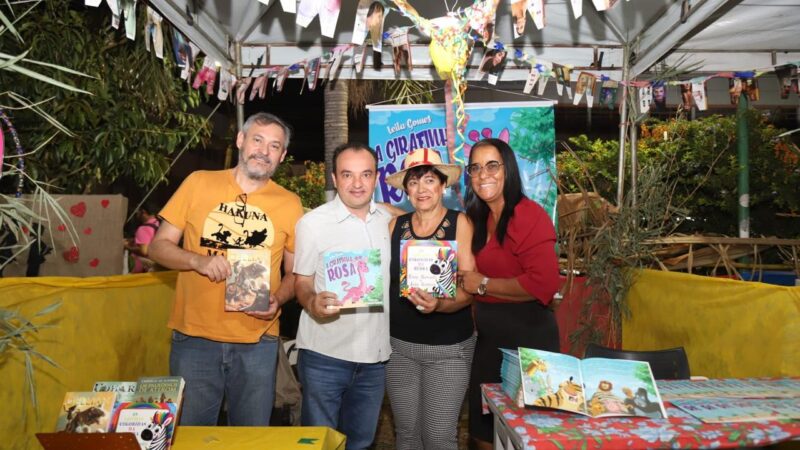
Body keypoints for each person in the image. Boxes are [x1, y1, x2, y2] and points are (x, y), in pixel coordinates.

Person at [148, 112, 304, 426]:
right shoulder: (198, 183)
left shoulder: (289, 203)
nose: (264, 150)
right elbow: (157, 246)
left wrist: (279, 299)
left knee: (249, 437)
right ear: (241, 140)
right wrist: (197, 261)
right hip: (195, 337)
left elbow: (296, 272)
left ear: (283, 156)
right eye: (257, 140)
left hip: (257, 341)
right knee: (192, 436)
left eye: (274, 146)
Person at [458, 138, 561, 450]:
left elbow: (543, 284)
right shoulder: (477, 218)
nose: (483, 174)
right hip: (489, 342)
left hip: (530, 344)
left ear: (508, 170)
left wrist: (484, 284)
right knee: (482, 432)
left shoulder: (528, 215)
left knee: (529, 435)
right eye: (475, 168)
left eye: (492, 165)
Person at [293, 142, 393, 450]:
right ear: (335, 179)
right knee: (319, 444)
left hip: (375, 360)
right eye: (347, 175)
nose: (357, 183)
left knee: (361, 443)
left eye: (365, 174)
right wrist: (312, 301)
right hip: (325, 356)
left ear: (376, 178)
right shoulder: (312, 224)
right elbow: (301, 282)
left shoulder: (388, 220)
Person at [383, 148, 476, 450]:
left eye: (429, 180)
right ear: (406, 189)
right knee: (407, 435)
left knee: (438, 437)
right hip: (399, 350)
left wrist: (440, 305)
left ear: (442, 185)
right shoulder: (394, 226)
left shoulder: (459, 223)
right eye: (413, 182)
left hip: (447, 350)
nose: (421, 189)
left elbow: (469, 288)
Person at [125, 201, 160, 273]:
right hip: (157, 262)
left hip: (142, 266)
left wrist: (127, 247)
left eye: (138, 211)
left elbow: (144, 251)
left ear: (143, 212)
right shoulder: (157, 223)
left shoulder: (143, 229)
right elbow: (149, 238)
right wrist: (133, 240)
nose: (136, 214)